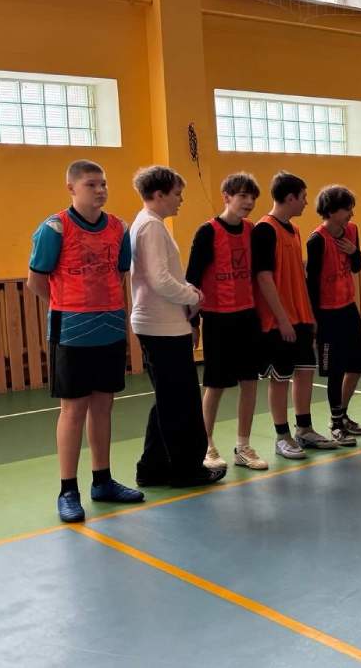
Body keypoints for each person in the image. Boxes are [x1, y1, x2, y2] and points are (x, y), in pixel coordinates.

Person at [27, 159, 144, 522]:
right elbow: (36, 281)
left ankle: (102, 481)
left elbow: (119, 273)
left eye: (103, 183)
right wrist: (70, 307)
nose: (100, 190)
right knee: (73, 409)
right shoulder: (54, 228)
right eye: (91, 184)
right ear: (72, 188)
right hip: (72, 333)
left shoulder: (119, 228)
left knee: (103, 406)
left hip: (110, 329)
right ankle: (67, 490)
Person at [129, 165, 224, 488]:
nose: (181, 199)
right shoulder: (151, 227)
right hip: (162, 326)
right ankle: (187, 469)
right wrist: (192, 295)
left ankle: (152, 467)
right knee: (181, 401)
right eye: (177, 193)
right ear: (159, 195)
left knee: (168, 399)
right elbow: (160, 280)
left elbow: (162, 275)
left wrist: (186, 291)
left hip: (161, 323)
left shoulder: (148, 224)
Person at [185, 172, 267, 472]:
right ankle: (205, 445)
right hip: (218, 318)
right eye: (242, 195)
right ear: (227, 197)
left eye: (252, 197)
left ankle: (243, 446)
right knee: (216, 384)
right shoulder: (207, 232)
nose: (248, 202)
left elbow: (258, 276)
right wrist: (192, 323)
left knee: (250, 382)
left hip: (247, 316)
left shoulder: (251, 230)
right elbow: (192, 280)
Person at [253, 171, 336, 459]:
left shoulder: (295, 230)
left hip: (301, 317)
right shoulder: (264, 230)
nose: (306, 202)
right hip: (278, 320)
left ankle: (304, 429)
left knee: (304, 371)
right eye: (303, 197)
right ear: (290, 198)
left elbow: (297, 276)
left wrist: (308, 314)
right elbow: (263, 278)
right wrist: (282, 318)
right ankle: (282, 435)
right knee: (280, 377)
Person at [306, 185, 361, 446]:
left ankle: (341, 415)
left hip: (348, 308)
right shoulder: (317, 240)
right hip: (327, 314)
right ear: (331, 211)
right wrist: (313, 319)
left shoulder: (352, 230)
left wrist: (354, 252)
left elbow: (357, 267)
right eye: (347, 209)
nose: (351, 214)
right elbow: (311, 283)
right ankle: (335, 422)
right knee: (335, 370)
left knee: (356, 365)